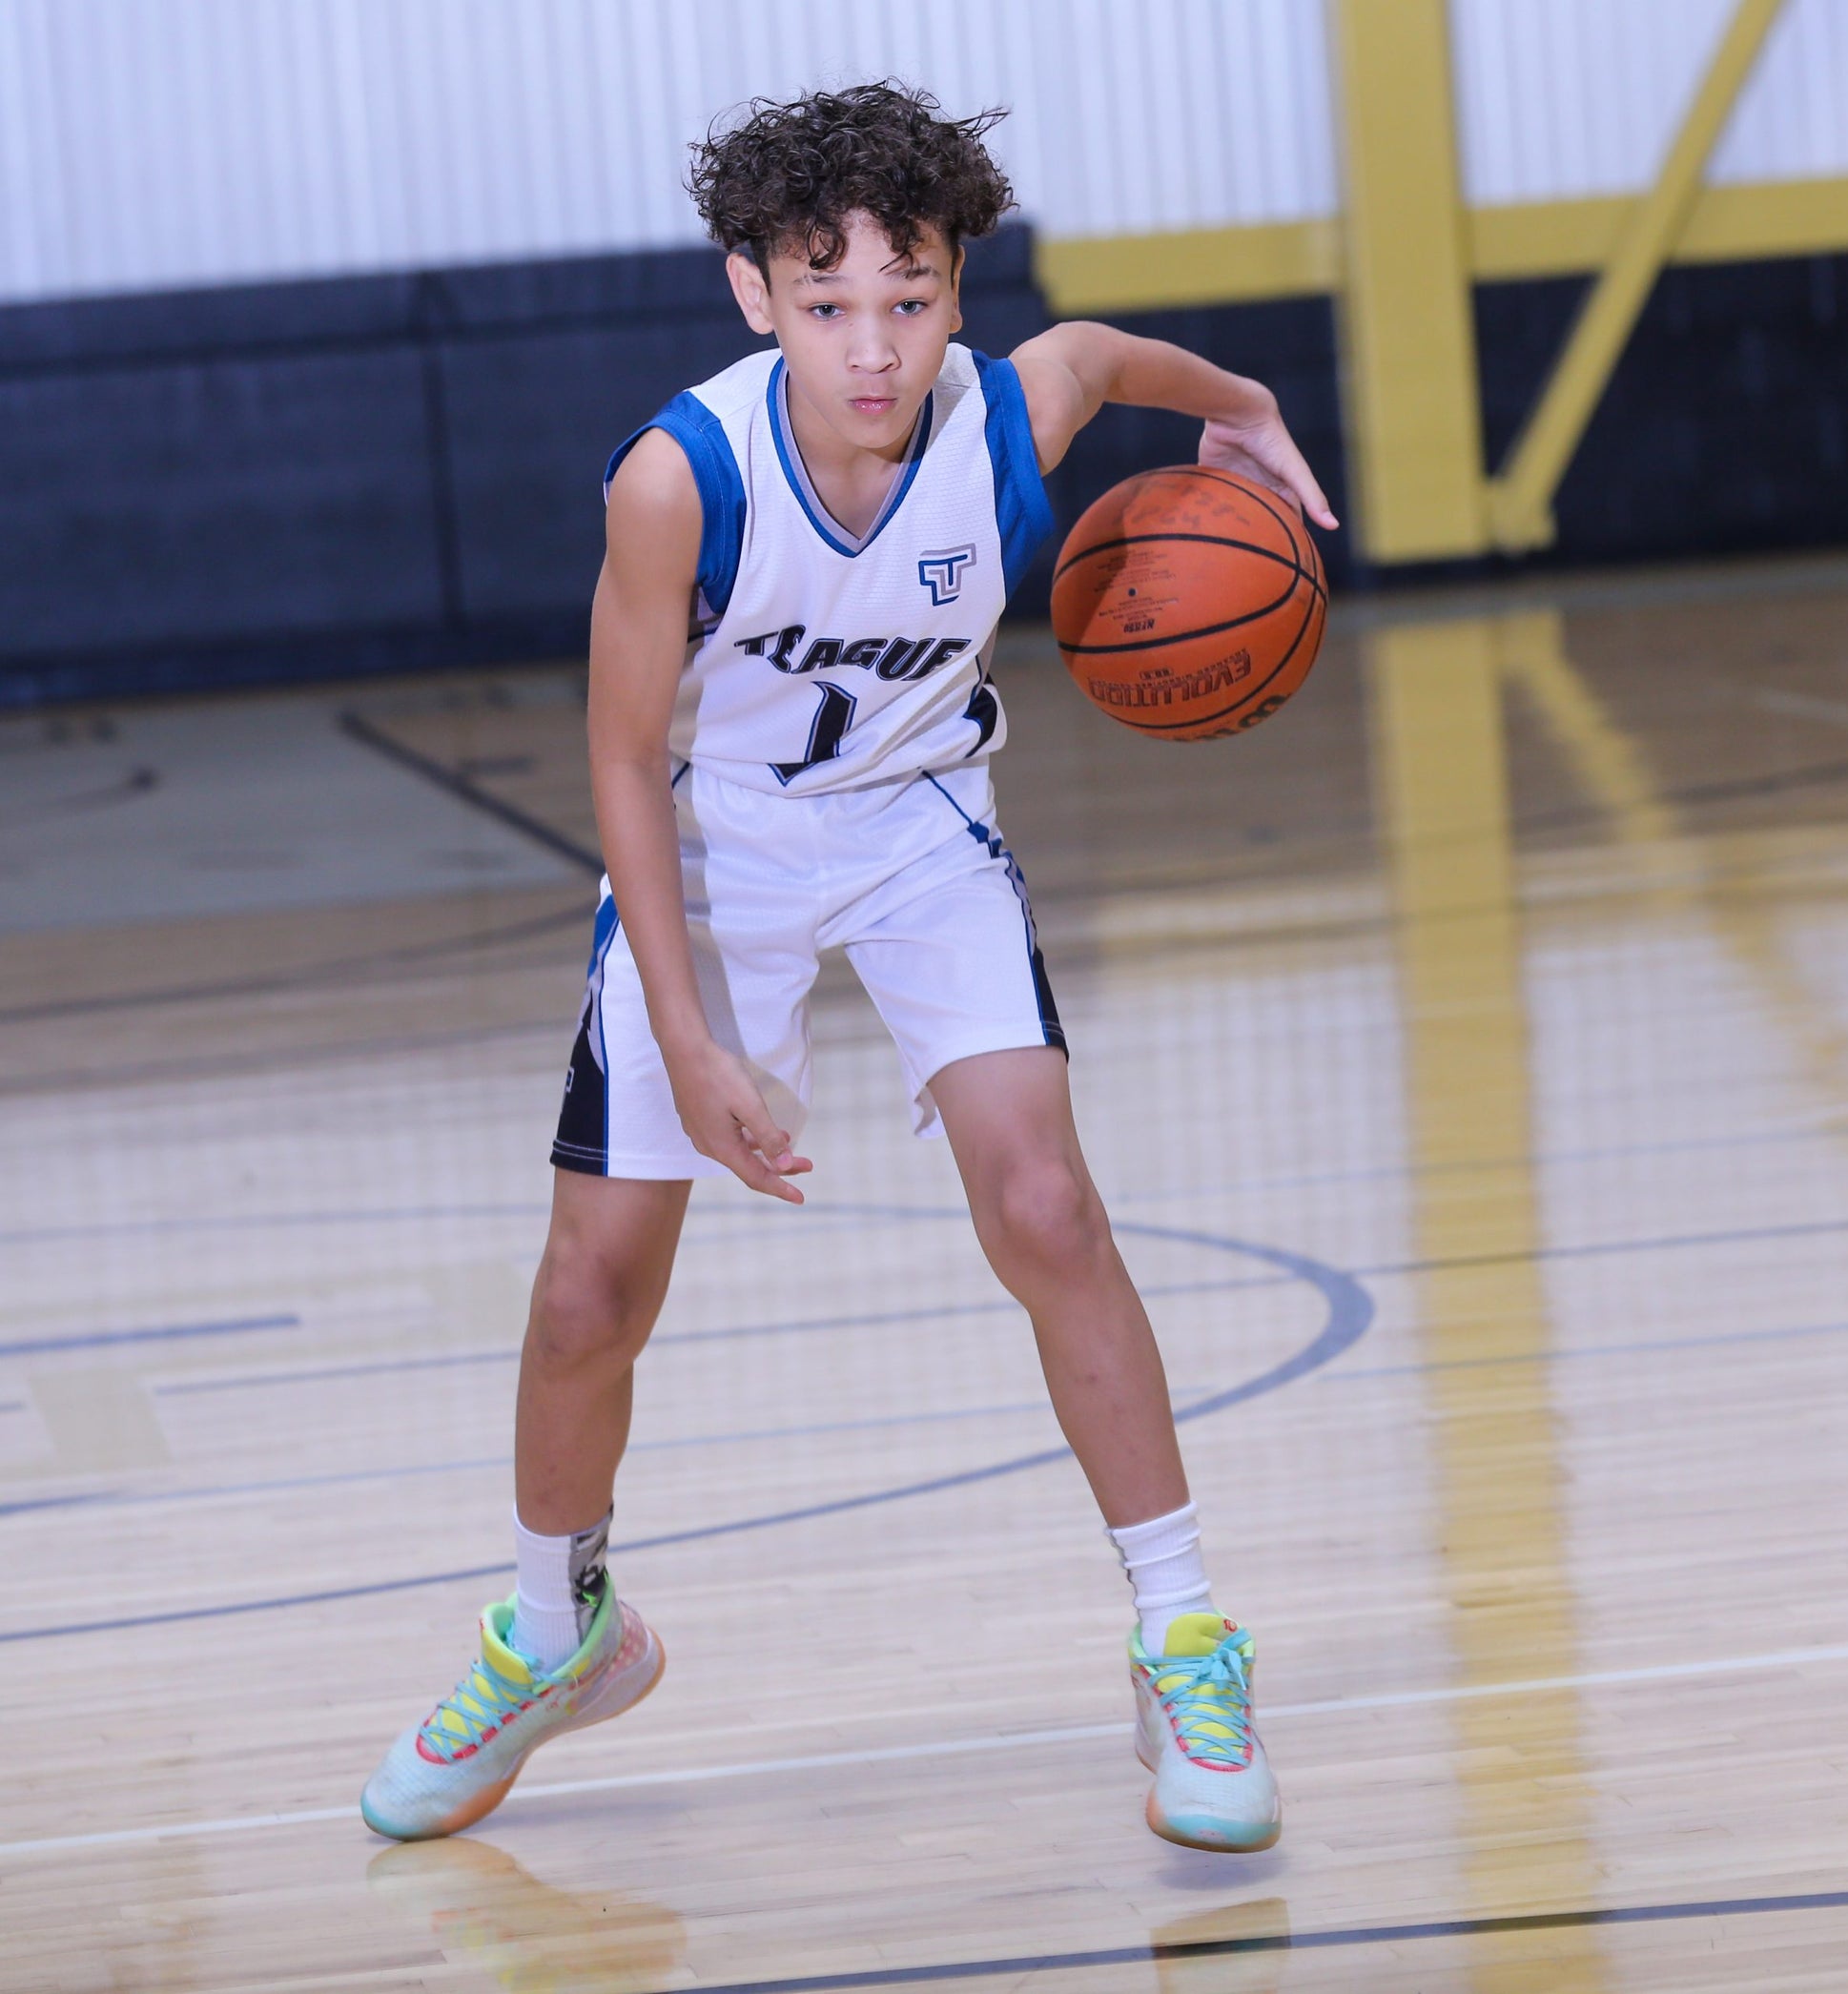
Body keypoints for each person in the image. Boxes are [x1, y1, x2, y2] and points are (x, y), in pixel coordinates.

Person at [361, 81, 1335, 1855]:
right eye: (826, 304)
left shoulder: (1008, 412)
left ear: (958, 286)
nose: (873, 348)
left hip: (917, 825)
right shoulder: (680, 478)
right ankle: (557, 1628)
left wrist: (1245, 407)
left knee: (1046, 1206)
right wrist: (691, 1036)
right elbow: (620, 760)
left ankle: (1183, 1636)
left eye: (911, 297)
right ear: (754, 293)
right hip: (717, 842)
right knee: (588, 1292)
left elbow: (1108, 354)